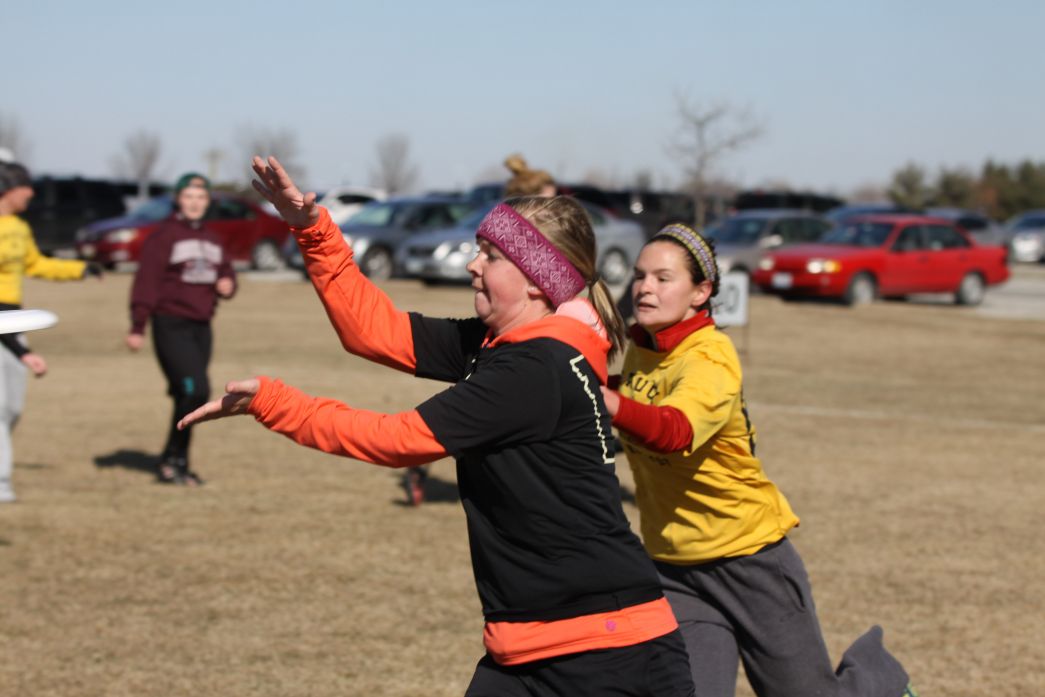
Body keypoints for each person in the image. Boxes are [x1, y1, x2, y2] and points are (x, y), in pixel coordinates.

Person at [178, 156, 695, 696]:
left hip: (609, 653)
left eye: (491, 256)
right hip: (531, 644)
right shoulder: (499, 345)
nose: (473, 265)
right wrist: (314, 231)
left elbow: (396, 440)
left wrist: (275, 402)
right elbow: (374, 331)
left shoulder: (535, 369)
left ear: (537, 281)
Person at [601, 223, 917, 697]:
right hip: (674, 567)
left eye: (663, 278)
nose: (645, 287)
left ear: (700, 292)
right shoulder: (643, 349)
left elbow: (673, 431)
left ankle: (881, 680)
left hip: (748, 559)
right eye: (640, 275)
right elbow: (626, 401)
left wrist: (604, 398)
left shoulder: (710, 357)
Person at [0, 161, 103, 503]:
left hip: (15, 320)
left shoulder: (18, 227)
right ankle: (1, 482)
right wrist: (23, 352)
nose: (31, 193)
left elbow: (36, 264)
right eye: (25, 185)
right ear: (7, 188)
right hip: (3, 324)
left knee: (13, 407)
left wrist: (80, 269)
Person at [126, 172, 236, 486]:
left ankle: (177, 462)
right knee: (195, 390)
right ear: (178, 200)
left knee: (187, 396)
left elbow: (226, 273)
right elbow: (146, 283)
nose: (194, 203)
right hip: (171, 324)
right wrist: (138, 325)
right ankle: (172, 459)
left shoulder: (213, 239)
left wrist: (228, 285)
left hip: (202, 327)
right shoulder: (164, 236)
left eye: (201, 197)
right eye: (188, 197)